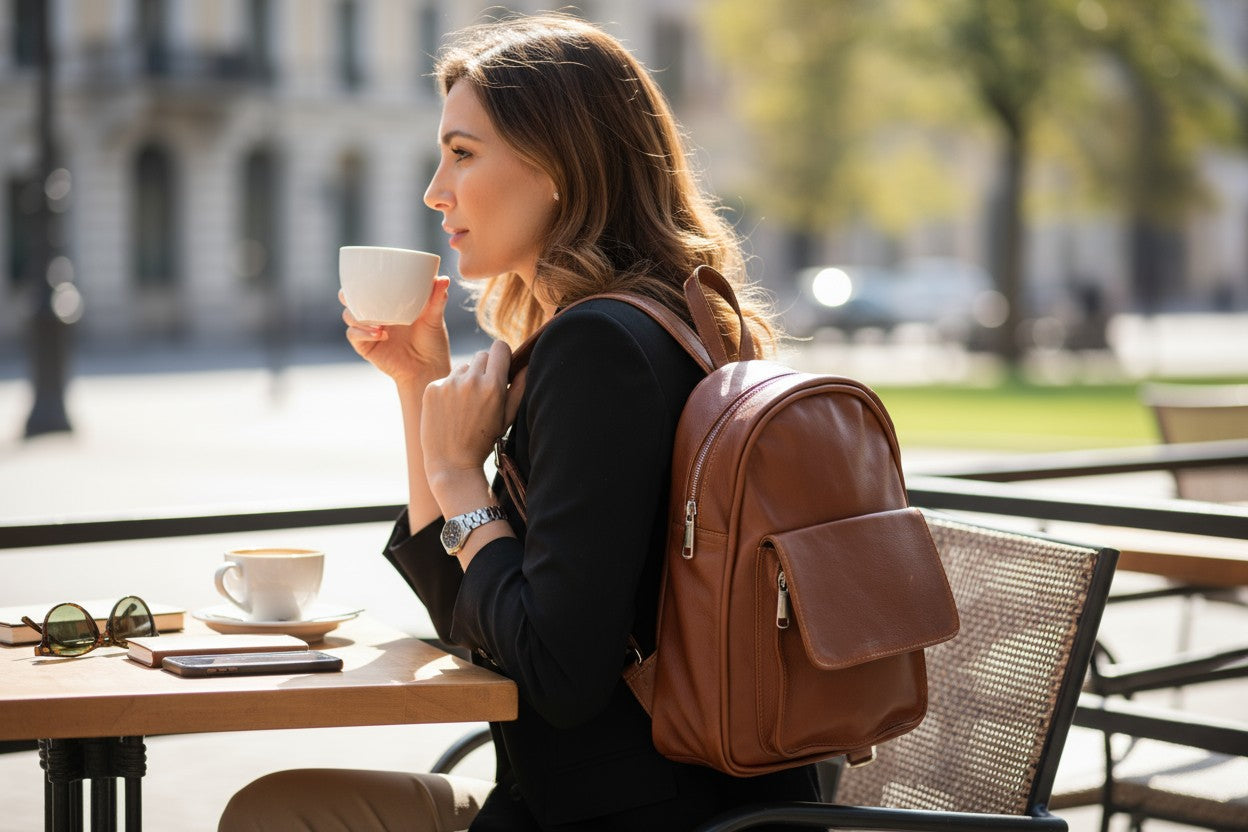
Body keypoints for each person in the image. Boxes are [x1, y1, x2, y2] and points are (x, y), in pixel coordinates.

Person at [219, 13, 817, 832]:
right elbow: (469, 615)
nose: (436, 189)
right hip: (677, 798)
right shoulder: (676, 321)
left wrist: (463, 476)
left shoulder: (597, 347)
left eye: (463, 153)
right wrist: (420, 387)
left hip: (624, 813)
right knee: (278, 806)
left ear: (561, 168)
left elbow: (555, 675)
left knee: (276, 816)